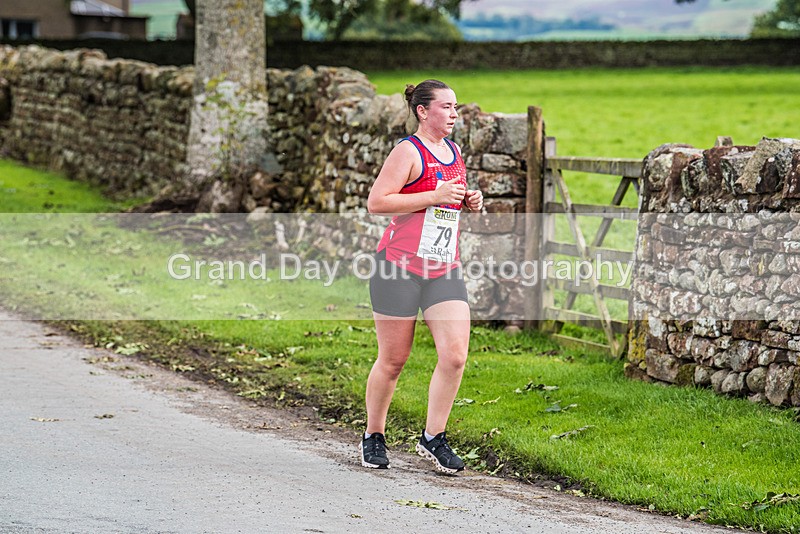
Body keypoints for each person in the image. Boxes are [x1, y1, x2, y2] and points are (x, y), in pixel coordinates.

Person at [361, 79, 483, 474]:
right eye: (446, 107)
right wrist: (434, 196)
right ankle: (373, 434)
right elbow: (377, 202)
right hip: (397, 268)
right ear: (422, 111)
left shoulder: (454, 151)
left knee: (455, 356)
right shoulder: (407, 152)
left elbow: (447, 203)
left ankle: (433, 437)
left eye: (456, 107)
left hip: (443, 268)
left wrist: (469, 200)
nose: (454, 114)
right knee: (393, 360)